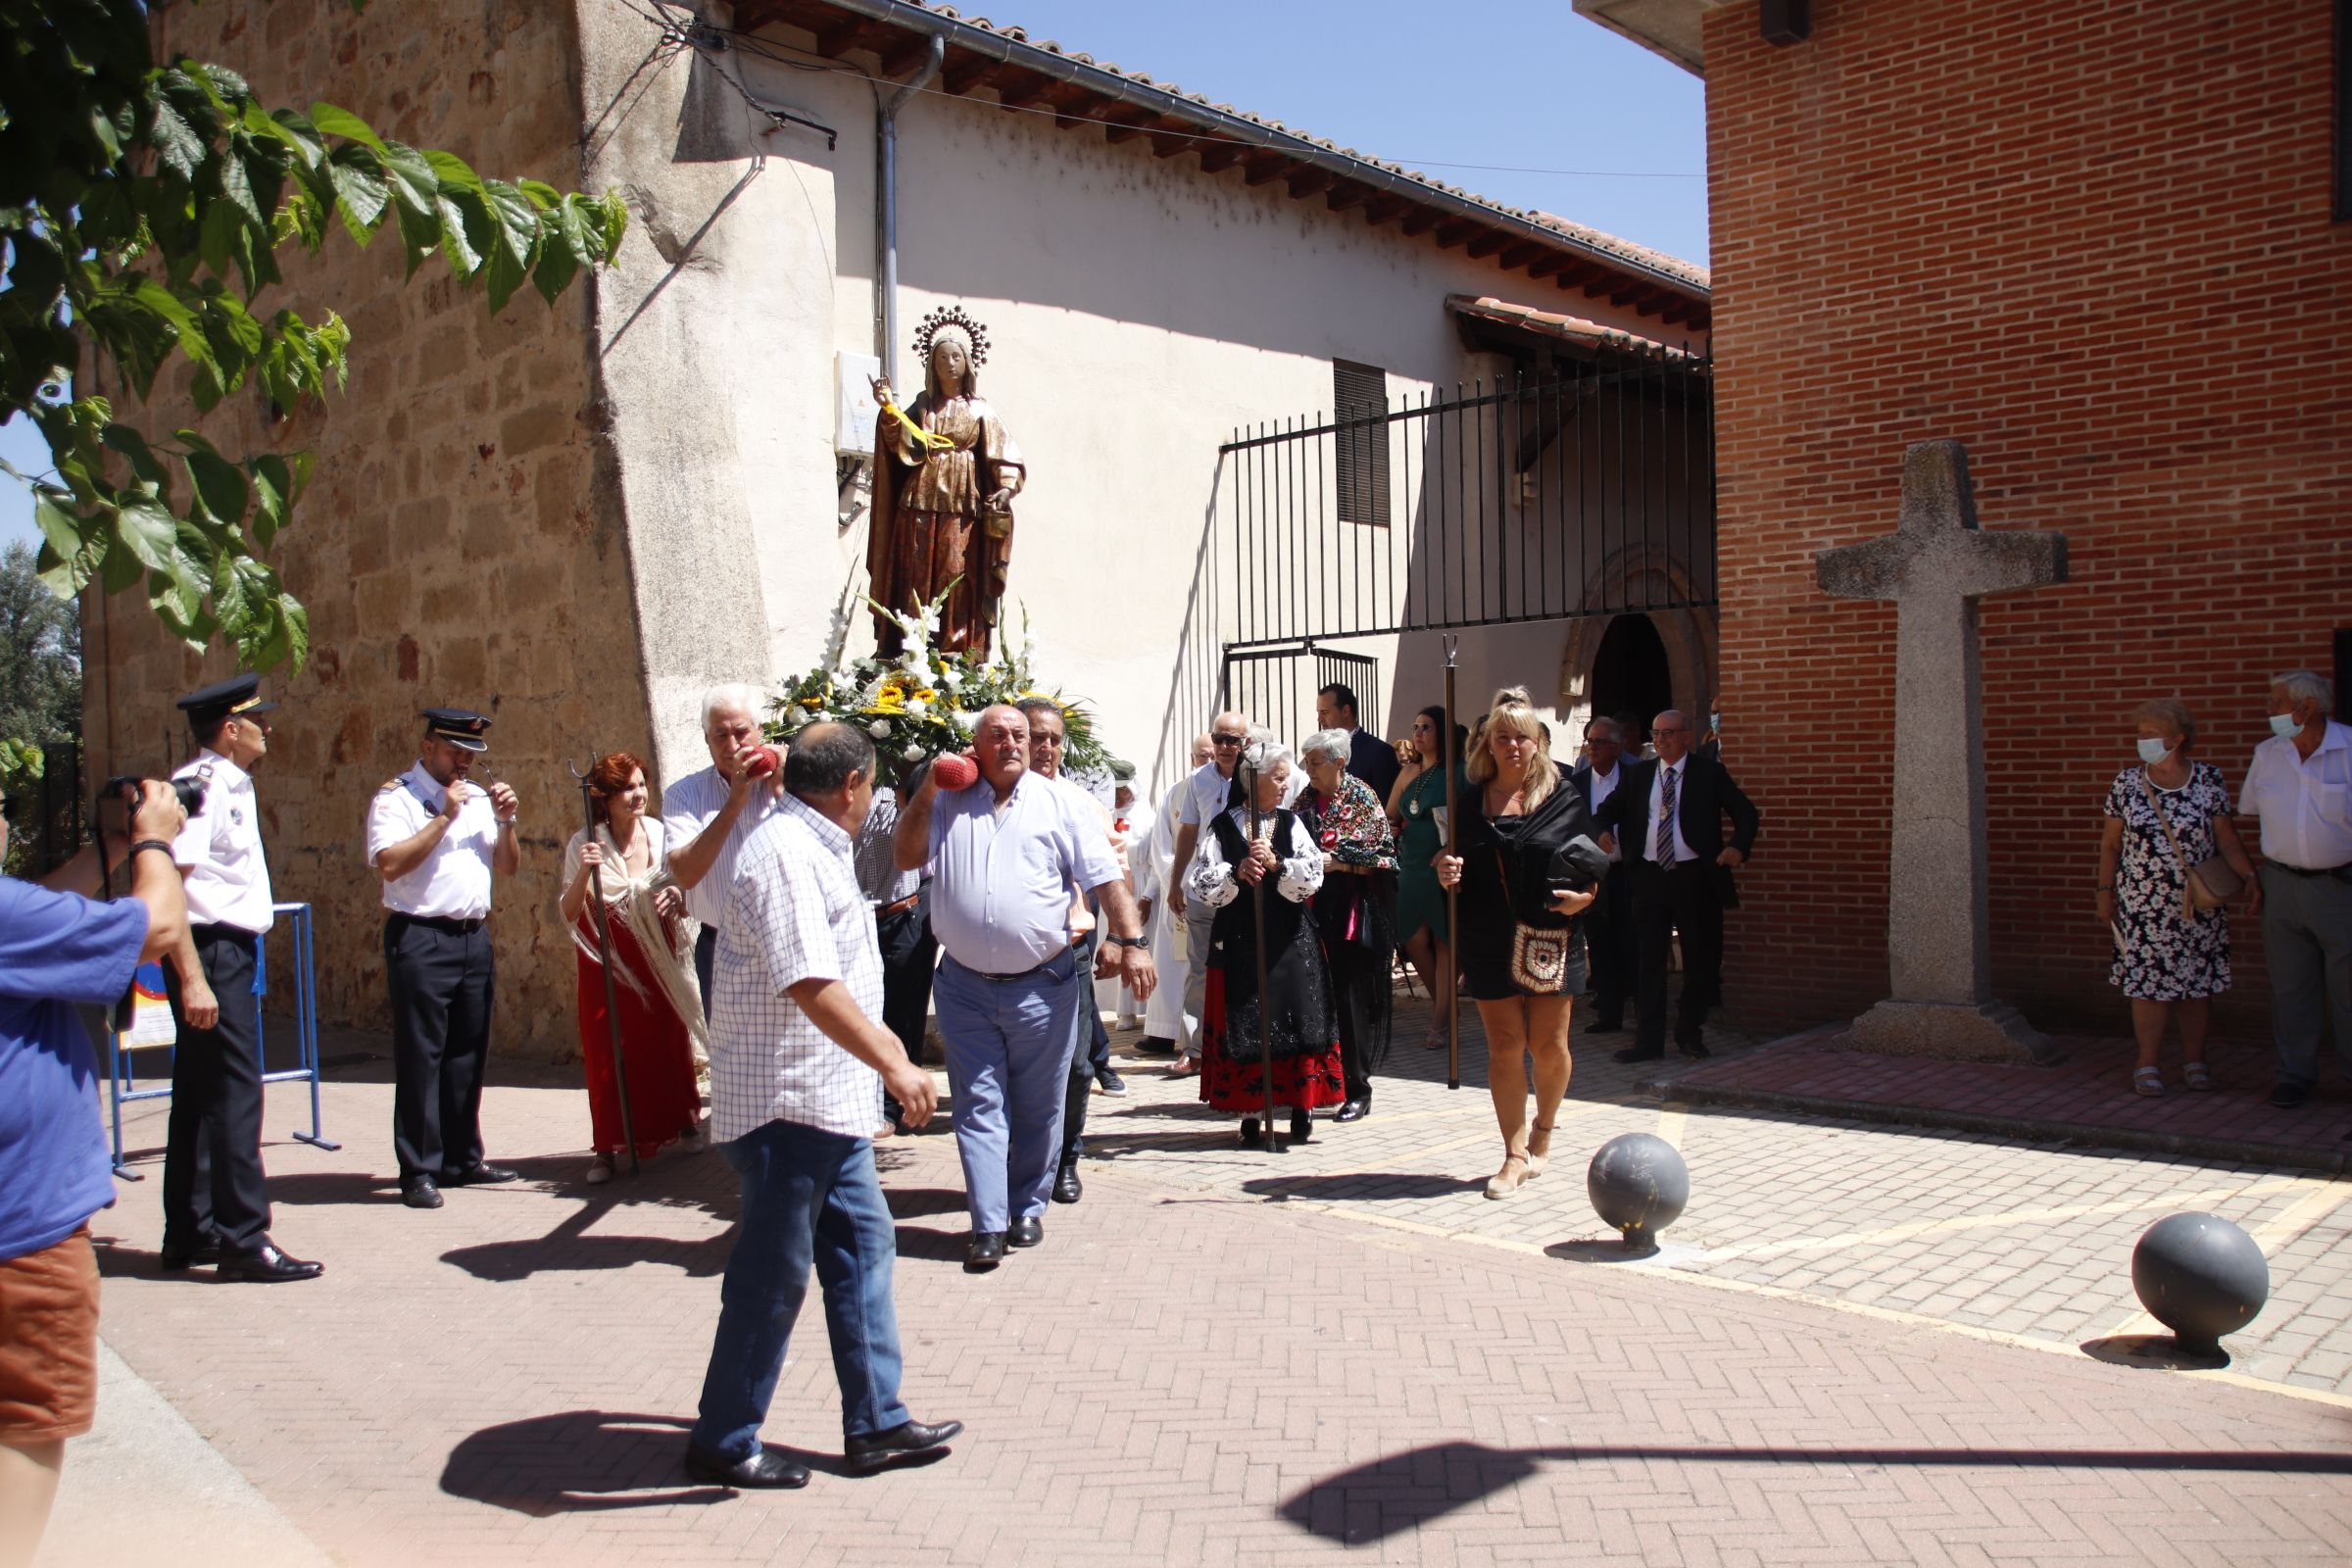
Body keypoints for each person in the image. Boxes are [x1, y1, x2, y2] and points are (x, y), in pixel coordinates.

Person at [686, 722, 960, 1489]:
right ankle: (724, 1436)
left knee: (864, 1249)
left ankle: (875, 1422)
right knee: (772, 1276)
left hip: (825, 1106)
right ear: (851, 786)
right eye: (872, 784)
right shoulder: (785, 854)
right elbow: (810, 981)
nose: (870, 797)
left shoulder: (812, 847)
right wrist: (895, 1062)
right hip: (787, 1104)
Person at [892, 706, 1154, 1270]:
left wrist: (1132, 941)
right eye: (998, 735)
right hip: (963, 988)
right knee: (977, 1104)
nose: (1013, 743)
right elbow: (907, 856)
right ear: (976, 746)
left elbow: (1104, 879)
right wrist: (928, 791)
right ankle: (987, 1221)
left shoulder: (1062, 803)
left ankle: (1026, 1208)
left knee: (1038, 1106)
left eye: (1021, 734)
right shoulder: (948, 799)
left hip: (1044, 984)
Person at [2, 777, 187, 1565]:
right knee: (26, 1420)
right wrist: (153, 843)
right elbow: (158, 927)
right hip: (22, 1232)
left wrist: (107, 848)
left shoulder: (15, 918)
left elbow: (37, 909)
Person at [155, 675, 320, 1283]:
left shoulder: (229, 784)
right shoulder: (200, 789)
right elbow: (174, 877)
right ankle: (244, 1239)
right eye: (258, 719)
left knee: (200, 1096)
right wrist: (191, 977)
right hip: (211, 951)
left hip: (223, 949)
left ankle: (190, 1231)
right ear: (230, 728)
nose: (267, 727)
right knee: (234, 1094)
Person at [1434, 691, 1605, 1200]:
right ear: (1488, 743)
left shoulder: (1564, 797)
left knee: (1549, 1047)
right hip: (1488, 936)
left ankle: (1544, 1130)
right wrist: (1445, 870)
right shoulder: (1470, 801)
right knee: (1505, 1046)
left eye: (1521, 737)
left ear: (1537, 744)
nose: (1512, 745)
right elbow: (1451, 862)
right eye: (1502, 736)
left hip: (1552, 935)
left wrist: (1586, 898)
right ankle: (1512, 1154)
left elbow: (1592, 864)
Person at [367, 708, 522, 1210]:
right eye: (456, 751)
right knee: (421, 1057)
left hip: (471, 936)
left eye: (472, 754)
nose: (464, 763)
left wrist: (506, 821)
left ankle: (461, 1157)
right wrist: (444, 817)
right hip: (420, 936)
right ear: (429, 743)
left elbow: (508, 865)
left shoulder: (475, 796)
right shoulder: (399, 798)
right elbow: (390, 864)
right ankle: (418, 1168)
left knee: (467, 1053)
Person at [1184, 741, 1346, 1146]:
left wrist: (1279, 865)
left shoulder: (1292, 823)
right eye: (1277, 777)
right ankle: (1252, 1111)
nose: (1285, 783)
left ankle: (1302, 1105)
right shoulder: (1223, 825)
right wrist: (1237, 872)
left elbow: (1313, 874)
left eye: (1285, 776)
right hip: (1241, 939)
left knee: (1295, 1017)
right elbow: (1201, 881)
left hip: (1290, 937)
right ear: (1252, 781)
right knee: (1249, 1020)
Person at [2095, 701, 2254, 1098]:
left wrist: (2249, 876)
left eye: (2150, 733)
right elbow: (2111, 845)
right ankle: (2147, 1063)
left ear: (2177, 738)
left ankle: (2196, 1061)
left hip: (2198, 902)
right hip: (2143, 904)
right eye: (2140, 733)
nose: (2141, 740)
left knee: (2196, 986)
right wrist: (2104, 892)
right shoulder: (2126, 784)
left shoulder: (2208, 780)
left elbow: (2227, 839)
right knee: (2147, 985)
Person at [561, 753, 706, 1183]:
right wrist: (584, 875)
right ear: (605, 798)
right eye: (628, 788)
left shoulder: (659, 833)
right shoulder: (583, 843)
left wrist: (678, 900)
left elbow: (679, 888)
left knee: (666, 1037)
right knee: (608, 1047)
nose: (638, 795)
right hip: (607, 958)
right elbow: (569, 913)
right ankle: (606, 1147)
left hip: (656, 950)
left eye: (642, 784)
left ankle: (681, 1121)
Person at [1594, 708, 1760, 1064]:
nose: (1661, 740)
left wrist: (1737, 848)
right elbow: (1606, 810)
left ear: (1687, 736)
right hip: (1649, 876)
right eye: (1656, 733)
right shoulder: (1639, 775)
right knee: (1648, 960)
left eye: (1669, 733)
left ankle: (1689, 1034)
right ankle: (1648, 1042)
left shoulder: (1709, 774)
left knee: (1699, 960)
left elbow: (1746, 813)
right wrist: (1603, 830)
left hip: (1694, 876)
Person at [1013, 696, 1127, 1207]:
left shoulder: (1080, 803)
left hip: (1069, 955)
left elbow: (1111, 875)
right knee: (1018, 1073)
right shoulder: (983, 798)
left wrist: (1124, 939)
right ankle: (1022, 1162)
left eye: (1055, 738)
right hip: (1006, 962)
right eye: (1036, 736)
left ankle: (1067, 1159)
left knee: (1078, 1067)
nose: (1046, 747)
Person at [867, 310, 1026, 657]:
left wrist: (1005, 486)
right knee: (916, 565)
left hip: (962, 500)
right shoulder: (922, 407)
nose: (949, 363)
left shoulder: (980, 411)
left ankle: (955, 646)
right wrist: (888, 411)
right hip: (919, 496)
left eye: (956, 357)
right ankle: (912, 645)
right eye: (941, 358)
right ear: (932, 365)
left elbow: (1006, 455)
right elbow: (898, 444)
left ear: (967, 363)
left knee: (957, 568)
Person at [2242, 670, 2352, 1110]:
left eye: (2276, 703)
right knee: (2290, 989)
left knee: (2350, 991)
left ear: (2305, 709)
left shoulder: (2349, 749)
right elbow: (2252, 811)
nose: (2269, 711)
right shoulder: (2267, 754)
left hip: (2341, 887)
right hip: (2281, 886)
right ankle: (2294, 1075)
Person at [665, 684, 788, 1015]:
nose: (732, 745)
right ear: (706, 739)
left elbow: (823, 849)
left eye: (741, 732)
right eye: (720, 735)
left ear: (760, 731)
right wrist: (735, 802)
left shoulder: (790, 780)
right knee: (735, 1062)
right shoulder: (684, 795)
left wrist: (782, 789)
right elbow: (685, 873)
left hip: (788, 939)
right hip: (722, 948)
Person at [1297, 729, 1396, 1122]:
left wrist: (1338, 862)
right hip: (1310, 911)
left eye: (1316, 762)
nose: (1309, 770)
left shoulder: (1362, 797)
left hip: (1351, 913)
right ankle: (1315, 1085)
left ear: (1340, 762)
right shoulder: (1305, 799)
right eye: (1306, 762)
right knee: (1313, 1002)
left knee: (1351, 1003)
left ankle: (1359, 1088)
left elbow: (1383, 855)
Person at [850, 763, 936, 1137]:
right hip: (855, 917)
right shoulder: (848, 788)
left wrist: (906, 789)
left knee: (903, 1012)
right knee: (861, 1010)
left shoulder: (908, 787)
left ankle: (897, 1104)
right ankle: (862, 1099)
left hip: (900, 914)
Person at [1166, 710, 1252, 1077]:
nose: (1225, 747)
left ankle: (1244, 1042)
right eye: (1219, 739)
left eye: (1233, 740)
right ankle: (1195, 1047)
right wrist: (1176, 881)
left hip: (1246, 886)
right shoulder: (1198, 780)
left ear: (1246, 742)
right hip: (1204, 886)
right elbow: (1188, 831)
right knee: (1198, 968)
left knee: (1246, 966)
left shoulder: (1256, 778)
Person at [1387, 706, 1467, 1051]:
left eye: (1427, 727)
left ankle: (1440, 1022)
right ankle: (1445, 1010)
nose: (1418, 733)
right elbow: (1389, 813)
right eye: (1415, 726)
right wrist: (1388, 832)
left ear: (1443, 734)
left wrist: (1451, 844)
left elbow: (1473, 818)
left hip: (1443, 865)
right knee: (1414, 939)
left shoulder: (1460, 772)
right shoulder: (1407, 773)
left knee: (1444, 941)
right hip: (1411, 865)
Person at [1131, 733, 1213, 1057]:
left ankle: (1198, 1038)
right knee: (1170, 965)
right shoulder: (1173, 793)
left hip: (1212, 892)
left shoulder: (1224, 790)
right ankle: (1163, 1033)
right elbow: (1161, 847)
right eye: (1200, 756)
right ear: (1192, 758)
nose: (1205, 762)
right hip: (1178, 892)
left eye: (1210, 756)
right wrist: (1176, 882)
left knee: (1200, 969)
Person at [1568, 716, 1639, 1036]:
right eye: (1589, 741)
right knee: (1600, 944)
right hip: (1595, 874)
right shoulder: (1576, 783)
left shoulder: (1637, 776)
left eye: (1599, 742)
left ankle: (1641, 1010)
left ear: (1617, 746)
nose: (1592, 748)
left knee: (1633, 942)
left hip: (1632, 872)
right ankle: (1609, 1015)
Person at [1316, 682, 1401, 803]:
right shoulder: (1320, 752)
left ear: (1345, 711)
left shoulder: (1379, 752)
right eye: (1318, 713)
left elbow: (1385, 807)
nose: (1319, 719)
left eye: (1325, 712)